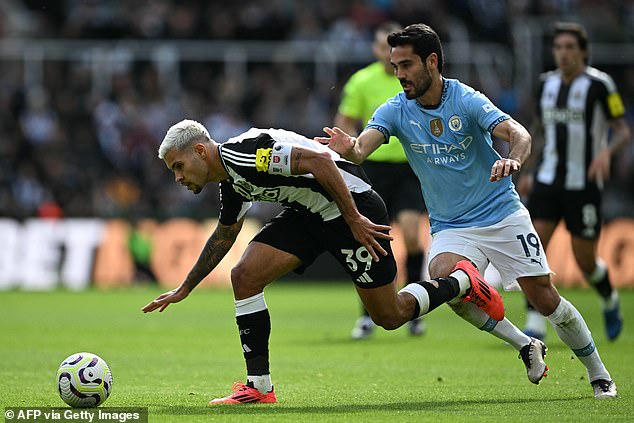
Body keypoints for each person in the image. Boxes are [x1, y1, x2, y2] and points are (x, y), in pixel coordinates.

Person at [316, 23, 617, 399]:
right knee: (449, 286)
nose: (400, 75)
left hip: (501, 212)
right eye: (395, 66)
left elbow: (520, 133)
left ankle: (598, 373)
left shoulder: (467, 100)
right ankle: (525, 344)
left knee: (543, 297)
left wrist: (514, 161)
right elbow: (362, 150)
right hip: (451, 226)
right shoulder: (395, 109)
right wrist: (349, 147)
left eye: (406, 65)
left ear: (432, 61)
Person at [142, 120, 519, 405]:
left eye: (178, 166)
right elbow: (225, 234)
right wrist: (185, 288)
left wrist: (353, 219)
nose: (177, 177)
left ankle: (461, 281)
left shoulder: (246, 154)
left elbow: (321, 160)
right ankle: (259, 386)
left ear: (201, 152)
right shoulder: (232, 182)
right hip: (309, 214)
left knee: (390, 315)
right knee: (245, 276)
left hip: (352, 208)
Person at [517, 22, 630, 343]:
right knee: (533, 250)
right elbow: (537, 131)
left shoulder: (601, 85)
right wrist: (527, 171)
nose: (563, 54)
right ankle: (535, 323)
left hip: (584, 185)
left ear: (582, 52)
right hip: (547, 181)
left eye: (569, 48)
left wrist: (606, 153)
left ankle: (609, 298)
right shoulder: (545, 85)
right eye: (558, 48)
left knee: (585, 262)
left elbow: (622, 130)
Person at [336, 21, 428, 339]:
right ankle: (368, 314)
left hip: (409, 168)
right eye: (380, 47)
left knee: (414, 236)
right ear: (376, 50)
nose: (386, 54)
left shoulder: (414, 81)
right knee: (370, 240)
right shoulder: (361, 82)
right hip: (372, 169)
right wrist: (343, 159)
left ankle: (415, 310)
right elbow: (345, 124)